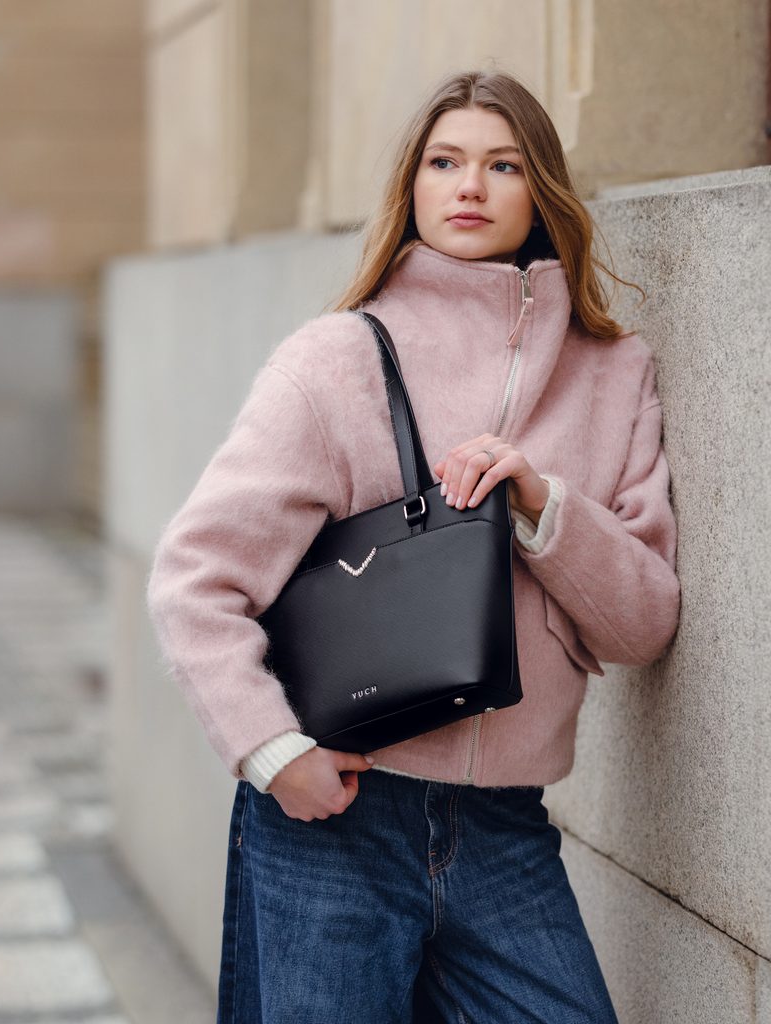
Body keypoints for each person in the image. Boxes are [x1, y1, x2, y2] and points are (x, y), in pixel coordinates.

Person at [146, 69, 681, 1023]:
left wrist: (540, 504)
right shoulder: (337, 359)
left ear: (543, 192)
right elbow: (196, 579)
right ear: (413, 185)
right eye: (444, 162)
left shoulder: (613, 374)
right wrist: (270, 750)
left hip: (507, 831)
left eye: (503, 165)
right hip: (340, 816)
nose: (470, 186)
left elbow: (643, 624)